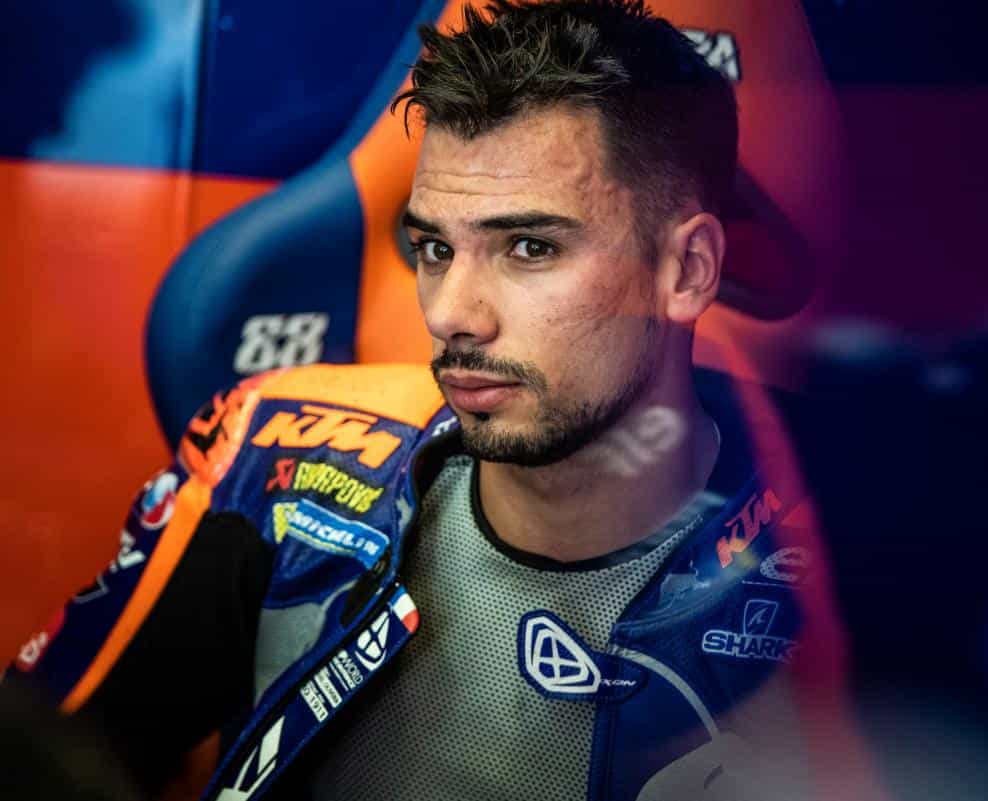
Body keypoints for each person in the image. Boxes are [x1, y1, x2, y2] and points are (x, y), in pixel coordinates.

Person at [4, 2, 833, 799]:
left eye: (529, 247)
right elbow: (36, 759)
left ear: (686, 270)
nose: (450, 314)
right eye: (433, 247)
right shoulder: (279, 457)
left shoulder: (831, 576)